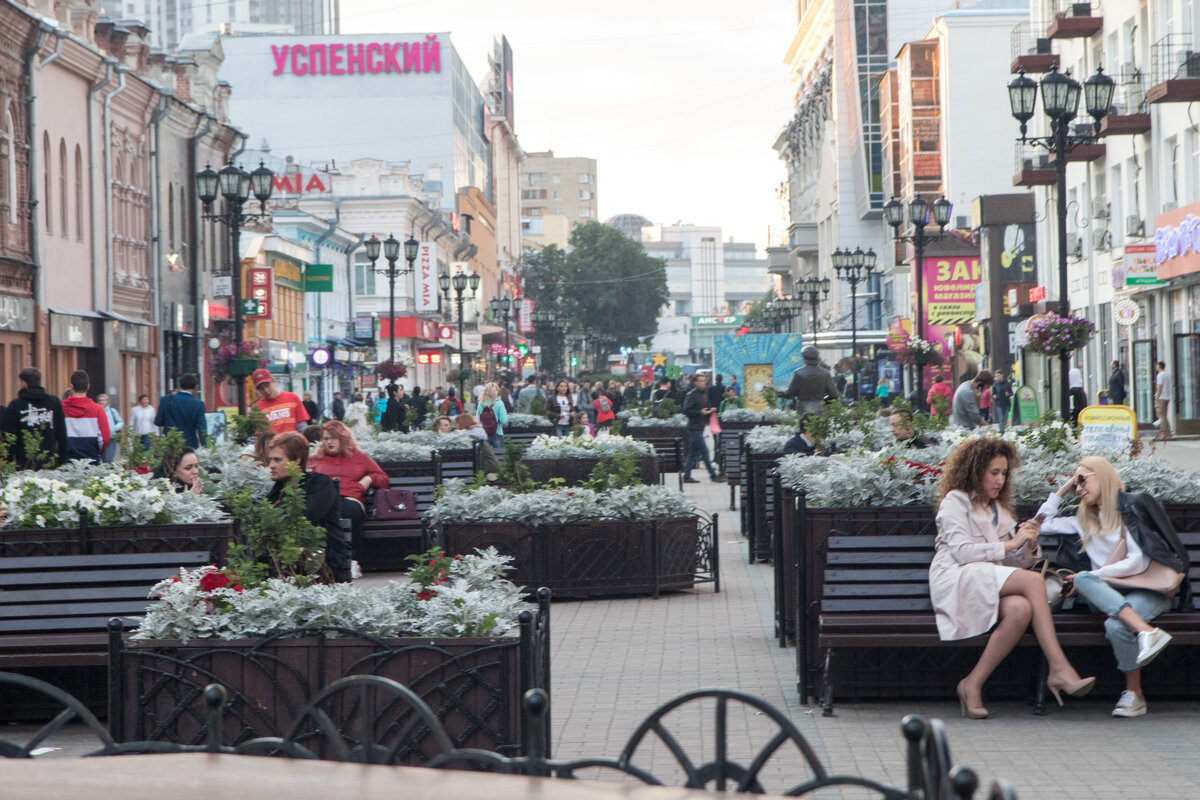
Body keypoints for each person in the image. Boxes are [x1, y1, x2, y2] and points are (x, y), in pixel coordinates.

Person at [928, 437, 1094, 719]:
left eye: (1004, 473)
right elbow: (962, 552)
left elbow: (1009, 562)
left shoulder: (997, 510)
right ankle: (1058, 668)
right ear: (974, 470)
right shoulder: (954, 501)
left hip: (984, 578)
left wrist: (1028, 545)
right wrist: (1011, 543)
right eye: (994, 472)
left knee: (1021, 608)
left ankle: (972, 684)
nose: (1000, 480)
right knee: (1032, 582)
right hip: (955, 577)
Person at [1035, 456, 1188, 718]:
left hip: (1147, 590)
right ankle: (1147, 632)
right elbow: (1041, 525)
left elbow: (1137, 561)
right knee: (1084, 579)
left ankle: (1134, 694)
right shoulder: (1083, 520)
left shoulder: (1129, 508)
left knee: (1114, 624)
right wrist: (1062, 491)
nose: (1079, 486)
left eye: (1083, 479)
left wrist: (1096, 575)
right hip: (1108, 594)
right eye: (1076, 482)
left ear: (1103, 475)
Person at [266, 431, 350, 583]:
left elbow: (302, 517)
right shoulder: (277, 489)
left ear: (296, 461)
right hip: (282, 569)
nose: (271, 465)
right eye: (270, 460)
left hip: (324, 571)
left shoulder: (321, 484)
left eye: (277, 460)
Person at [308, 420, 389, 562]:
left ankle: (352, 559)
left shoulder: (359, 457)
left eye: (333, 438)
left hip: (350, 500)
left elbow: (383, 478)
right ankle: (327, 560)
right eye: (325, 439)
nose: (329, 442)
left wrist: (368, 480)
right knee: (321, 514)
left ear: (343, 439)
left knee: (347, 511)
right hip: (324, 502)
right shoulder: (314, 459)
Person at [1, 366, 67, 468]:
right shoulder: (54, 403)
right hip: (49, 461)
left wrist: (9, 462)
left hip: (23, 462)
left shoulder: (15, 406)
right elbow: (62, 434)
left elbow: (10, 437)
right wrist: (62, 460)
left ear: (24, 383)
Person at [681, 372, 721, 483]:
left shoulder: (704, 394)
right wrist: (699, 412)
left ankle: (686, 476)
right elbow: (686, 410)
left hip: (700, 427)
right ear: (695, 383)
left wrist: (710, 410)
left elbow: (705, 408)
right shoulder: (692, 395)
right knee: (705, 451)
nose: (704, 383)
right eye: (701, 381)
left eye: (705, 381)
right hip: (694, 428)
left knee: (693, 453)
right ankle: (713, 475)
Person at [63, 370, 110, 463]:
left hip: (66, 460)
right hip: (91, 459)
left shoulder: (61, 408)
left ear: (71, 386)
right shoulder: (98, 409)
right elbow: (105, 437)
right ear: (88, 386)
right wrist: (97, 451)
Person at [155, 373, 208, 447]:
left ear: (180, 385)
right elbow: (201, 428)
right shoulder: (198, 404)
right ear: (195, 386)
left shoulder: (166, 400)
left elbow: (158, 421)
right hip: (190, 444)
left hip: (170, 443)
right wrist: (205, 446)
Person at [782, 345, 838, 413]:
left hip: (803, 408)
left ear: (804, 357)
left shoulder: (798, 373)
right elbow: (834, 394)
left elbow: (789, 393)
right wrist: (823, 401)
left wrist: (780, 393)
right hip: (819, 408)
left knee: (804, 423)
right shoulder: (825, 373)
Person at [251, 369, 309, 434]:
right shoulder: (256, 408)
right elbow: (254, 435)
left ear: (273, 381)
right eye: (261, 388)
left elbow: (301, 426)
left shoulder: (293, 398)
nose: (266, 390)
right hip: (271, 444)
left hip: (292, 443)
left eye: (267, 385)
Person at [477, 383, 507, 451]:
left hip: (484, 435)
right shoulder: (499, 404)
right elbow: (504, 421)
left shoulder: (480, 404)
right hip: (497, 434)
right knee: (499, 457)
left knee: (486, 458)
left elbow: (477, 420)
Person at [97, 393, 123, 463]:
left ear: (107, 402)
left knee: (110, 459)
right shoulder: (96, 411)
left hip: (111, 438)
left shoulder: (112, 411)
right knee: (102, 459)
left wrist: (114, 428)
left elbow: (120, 422)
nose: (102, 402)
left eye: (103, 400)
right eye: (100, 400)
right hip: (100, 439)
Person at [991, 370, 1013, 434]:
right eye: (996, 376)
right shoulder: (995, 385)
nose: (997, 377)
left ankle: (1003, 428)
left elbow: (1011, 393)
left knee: (1005, 418)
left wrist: (1008, 394)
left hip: (1006, 404)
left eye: (998, 376)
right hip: (999, 404)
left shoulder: (1007, 384)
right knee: (1001, 418)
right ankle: (1001, 431)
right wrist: (994, 396)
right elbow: (993, 394)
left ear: (1002, 375)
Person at [1154, 361, 1172, 438]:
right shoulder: (1167, 375)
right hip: (1167, 397)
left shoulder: (1160, 375)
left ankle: (1164, 432)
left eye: (1156, 366)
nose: (1156, 367)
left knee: (1161, 415)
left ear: (1159, 366)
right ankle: (1168, 431)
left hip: (1161, 398)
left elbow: (1159, 387)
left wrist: (1157, 396)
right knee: (1164, 416)